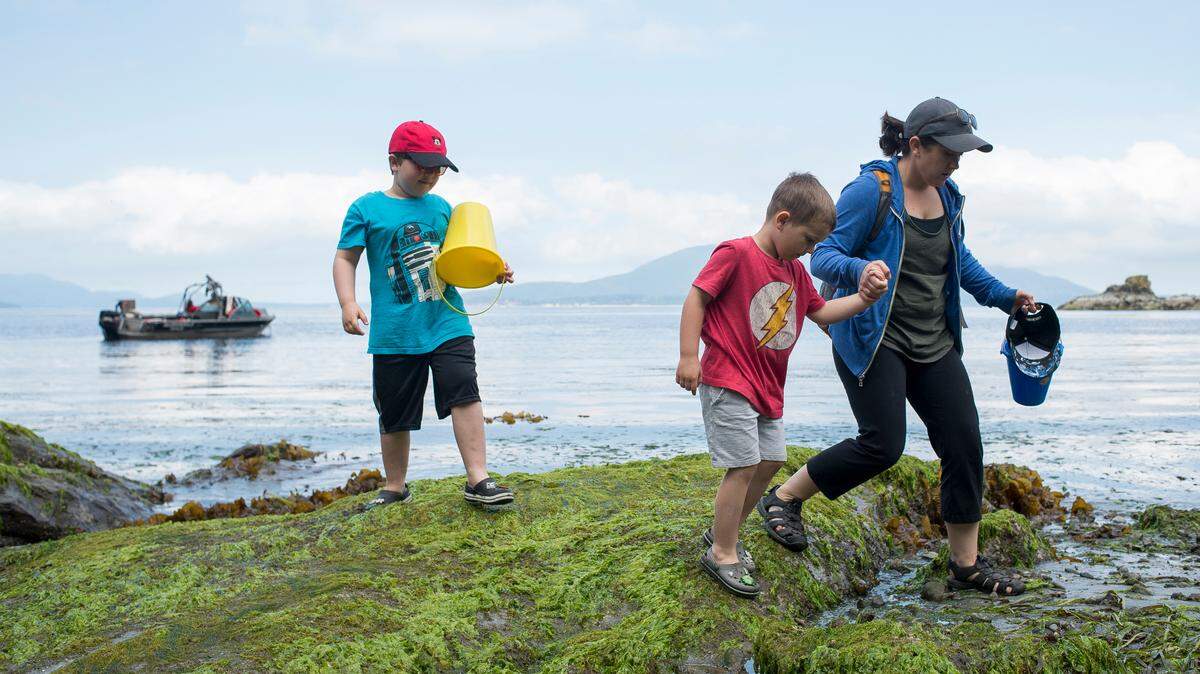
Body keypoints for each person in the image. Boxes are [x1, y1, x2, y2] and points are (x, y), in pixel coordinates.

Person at [759, 98, 1037, 596]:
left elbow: (959, 262)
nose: (955, 163)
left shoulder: (949, 196)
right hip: (872, 337)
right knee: (882, 445)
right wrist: (859, 270)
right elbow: (822, 254)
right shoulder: (873, 190)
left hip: (935, 340)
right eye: (949, 152)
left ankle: (965, 564)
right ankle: (784, 496)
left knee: (963, 442)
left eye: (961, 154)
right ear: (915, 145)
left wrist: (1003, 297)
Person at [675, 172, 885, 598]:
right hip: (729, 378)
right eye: (808, 241)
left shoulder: (795, 273)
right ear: (782, 220)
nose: (810, 252)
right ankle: (722, 551)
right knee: (744, 465)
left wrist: (864, 299)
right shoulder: (736, 253)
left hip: (768, 387)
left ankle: (725, 532)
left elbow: (822, 312)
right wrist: (688, 356)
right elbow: (697, 297)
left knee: (770, 461)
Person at [332, 120, 516, 511]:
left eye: (438, 168)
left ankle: (478, 478)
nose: (432, 175)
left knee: (463, 389)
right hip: (394, 331)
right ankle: (396, 486)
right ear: (395, 162)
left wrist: (492, 269)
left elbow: (461, 256)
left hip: (447, 320)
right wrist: (348, 303)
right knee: (394, 411)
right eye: (423, 165)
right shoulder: (366, 208)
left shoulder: (442, 208)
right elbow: (346, 257)